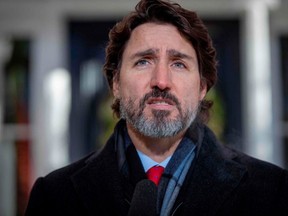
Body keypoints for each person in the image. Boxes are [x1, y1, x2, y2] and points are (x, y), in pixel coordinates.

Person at [25, 0, 288, 215]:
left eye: (178, 64)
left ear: (201, 88)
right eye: (143, 62)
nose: (161, 81)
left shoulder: (272, 191)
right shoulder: (54, 196)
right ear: (115, 83)